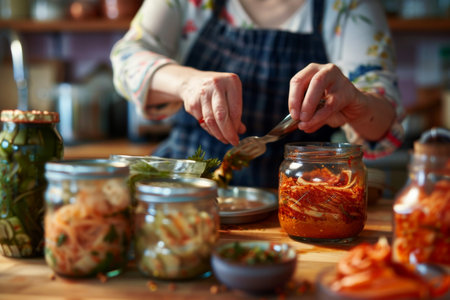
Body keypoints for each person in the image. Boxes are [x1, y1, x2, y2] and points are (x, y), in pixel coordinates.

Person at [110, 0, 404, 188]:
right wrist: (187, 83)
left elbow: (383, 122)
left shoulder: (348, 6)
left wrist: (358, 101)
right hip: (183, 193)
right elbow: (126, 57)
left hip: (299, 199)